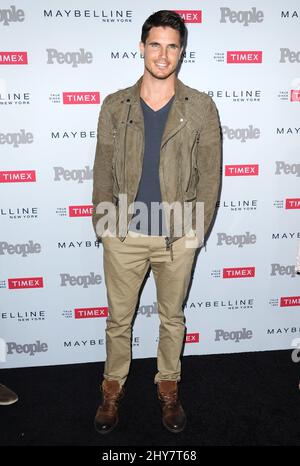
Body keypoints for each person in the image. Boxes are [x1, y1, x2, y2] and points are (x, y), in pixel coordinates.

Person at [92, 10, 221, 434]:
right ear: (142, 46)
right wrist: (105, 226)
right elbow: (103, 169)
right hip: (125, 232)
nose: (163, 55)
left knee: (172, 318)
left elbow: (210, 176)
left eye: (172, 46)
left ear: (181, 51)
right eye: (155, 44)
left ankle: (169, 388)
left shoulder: (201, 107)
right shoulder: (115, 105)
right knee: (118, 320)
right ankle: (112, 389)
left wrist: (194, 232)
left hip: (176, 233)